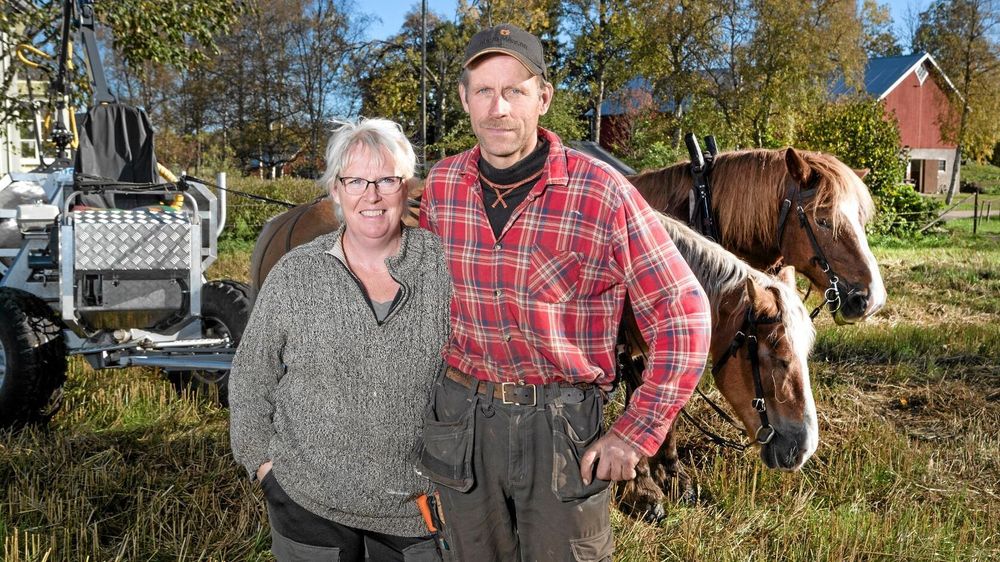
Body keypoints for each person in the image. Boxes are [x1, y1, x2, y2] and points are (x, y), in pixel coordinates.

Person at [415, 24, 712, 561]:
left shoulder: (601, 193)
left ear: (543, 98)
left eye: (515, 91)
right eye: (483, 91)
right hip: (461, 424)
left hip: (560, 431)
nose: (498, 107)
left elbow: (684, 314)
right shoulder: (442, 186)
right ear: (462, 99)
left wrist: (635, 433)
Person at [229, 118, 450, 562]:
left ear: (407, 187)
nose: (371, 195)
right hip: (309, 507)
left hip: (418, 513)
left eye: (387, 179)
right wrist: (266, 470)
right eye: (355, 180)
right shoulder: (296, 274)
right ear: (335, 189)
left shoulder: (444, 269)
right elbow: (251, 378)